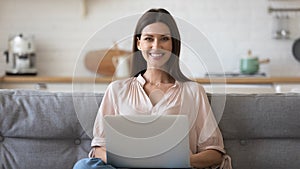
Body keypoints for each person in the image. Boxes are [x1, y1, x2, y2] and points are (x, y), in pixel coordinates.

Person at [73, 8, 231, 169]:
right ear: (139, 43)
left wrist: (183, 160)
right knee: (83, 166)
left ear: (173, 44)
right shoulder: (116, 90)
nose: (156, 46)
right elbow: (99, 148)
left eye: (164, 39)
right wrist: (128, 160)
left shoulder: (193, 91)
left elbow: (215, 153)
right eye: (149, 38)